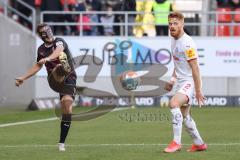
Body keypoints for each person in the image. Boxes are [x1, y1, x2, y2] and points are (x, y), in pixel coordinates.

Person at [15, 23, 77, 152]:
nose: (47, 33)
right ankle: (60, 69)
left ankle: (61, 143)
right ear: (41, 35)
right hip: (53, 79)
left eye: (48, 30)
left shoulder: (59, 41)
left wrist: (48, 58)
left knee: (67, 105)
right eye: (44, 32)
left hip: (69, 78)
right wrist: (23, 77)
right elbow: (38, 66)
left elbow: (58, 50)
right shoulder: (41, 49)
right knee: (59, 67)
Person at [163, 12, 207, 153]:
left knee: (173, 104)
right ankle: (199, 143)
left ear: (182, 24)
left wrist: (198, 90)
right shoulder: (173, 39)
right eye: (170, 23)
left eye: (175, 23)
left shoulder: (187, 43)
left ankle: (176, 143)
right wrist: (172, 80)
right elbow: (178, 64)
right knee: (185, 116)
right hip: (181, 81)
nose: (172, 26)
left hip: (190, 82)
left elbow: (195, 68)